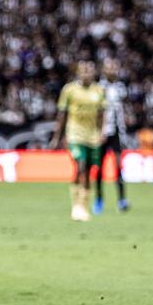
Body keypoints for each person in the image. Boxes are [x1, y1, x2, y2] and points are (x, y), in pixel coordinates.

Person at [49, 60, 105, 222]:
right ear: (78, 73)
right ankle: (76, 206)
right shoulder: (69, 90)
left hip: (92, 136)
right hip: (75, 134)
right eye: (83, 71)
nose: (86, 73)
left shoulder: (99, 90)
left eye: (89, 71)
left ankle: (84, 205)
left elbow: (102, 114)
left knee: (88, 170)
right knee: (80, 165)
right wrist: (57, 137)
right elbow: (62, 114)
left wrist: (102, 132)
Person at [92, 58, 130, 214]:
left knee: (119, 166)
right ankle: (99, 199)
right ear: (103, 70)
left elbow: (123, 110)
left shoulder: (121, 87)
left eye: (115, 67)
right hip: (102, 134)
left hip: (117, 133)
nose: (113, 70)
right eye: (109, 67)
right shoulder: (98, 88)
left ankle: (122, 200)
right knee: (99, 167)